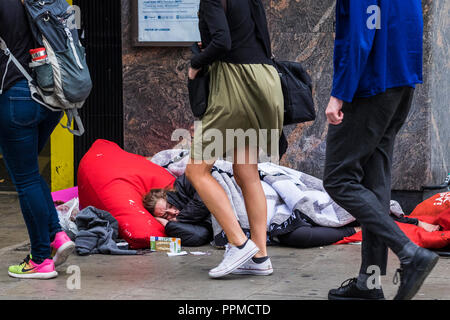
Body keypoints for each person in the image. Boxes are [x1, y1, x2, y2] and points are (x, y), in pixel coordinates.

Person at [323, 0, 439, 300]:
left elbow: (361, 32)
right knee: (376, 184)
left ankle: (409, 253)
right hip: (400, 83)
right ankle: (369, 283)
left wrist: (339, 94)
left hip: (370, 86)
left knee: (338, 178)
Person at [185, 0, 283, 278]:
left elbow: (221, 42)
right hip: (264, 82)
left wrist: (195, 64)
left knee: (196, 169)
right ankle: (260, 257)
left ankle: (239, 242)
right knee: (245, 170)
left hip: (234, 84)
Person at [0, 0, 75, 279]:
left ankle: (40, 258)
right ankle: (56, 235)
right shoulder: (38, 1)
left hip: (16, 98)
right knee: (31, 173)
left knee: (25, 179)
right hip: (50, 95)